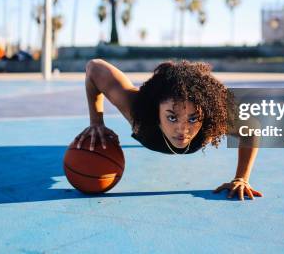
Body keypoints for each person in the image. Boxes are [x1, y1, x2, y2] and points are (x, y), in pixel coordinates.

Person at [75, 58, 263, 201]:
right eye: (172, 117)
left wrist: (242, 178)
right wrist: (96, 122)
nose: (182, 129)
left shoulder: (213, 121)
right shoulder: (137, 112)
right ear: (156, 111)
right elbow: (94, 67)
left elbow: (252, 129)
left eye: (193, 118)